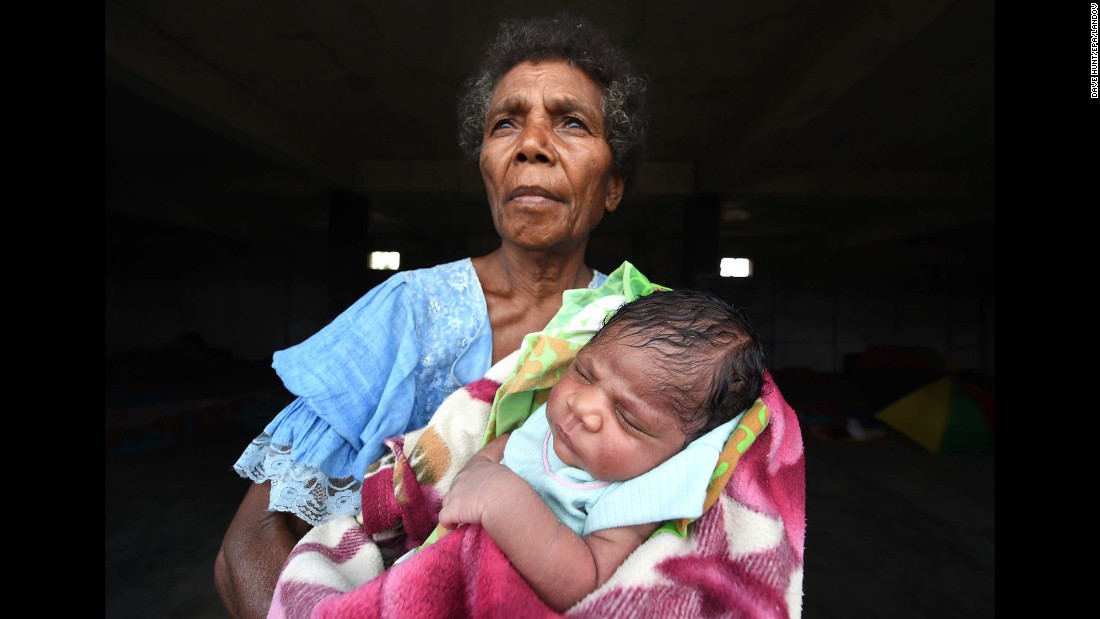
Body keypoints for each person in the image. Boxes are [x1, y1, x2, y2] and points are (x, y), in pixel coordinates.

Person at [214, 10, 649, 619]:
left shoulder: (643, 328)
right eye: (507, 124)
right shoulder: (409, 313)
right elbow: (248, 543)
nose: (531, 146)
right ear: (486, 165)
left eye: (572, 122)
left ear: (612, 186)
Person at [434, 288, 768, 612]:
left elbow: (586, 583)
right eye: (583, 373)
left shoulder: (632, 495)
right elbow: (496, 452)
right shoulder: (551, 421)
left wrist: (500, 497)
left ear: (682, 451)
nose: (581, 406)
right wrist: (477, 473)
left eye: (627, 417)